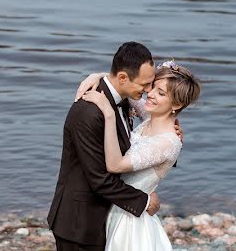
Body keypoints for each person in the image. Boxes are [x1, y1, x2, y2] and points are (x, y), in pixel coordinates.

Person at [47, 42, 161, 251]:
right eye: (144, 84)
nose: (147, 91)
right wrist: (144, 202)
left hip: (103, 218)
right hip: (79, 223)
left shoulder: (123, 98)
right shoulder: (88, 112)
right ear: (123, 78)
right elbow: (99, 179)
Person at [79, 60, 202, 251]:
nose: (150, 94)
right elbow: (123, 85)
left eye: (161, 93)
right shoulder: (149, 116)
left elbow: (115, 165)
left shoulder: (167, 142)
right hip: (118, 207)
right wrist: (97, 76)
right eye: (152, 87)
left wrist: (109, 114)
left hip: (130, 221)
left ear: (176, 104)